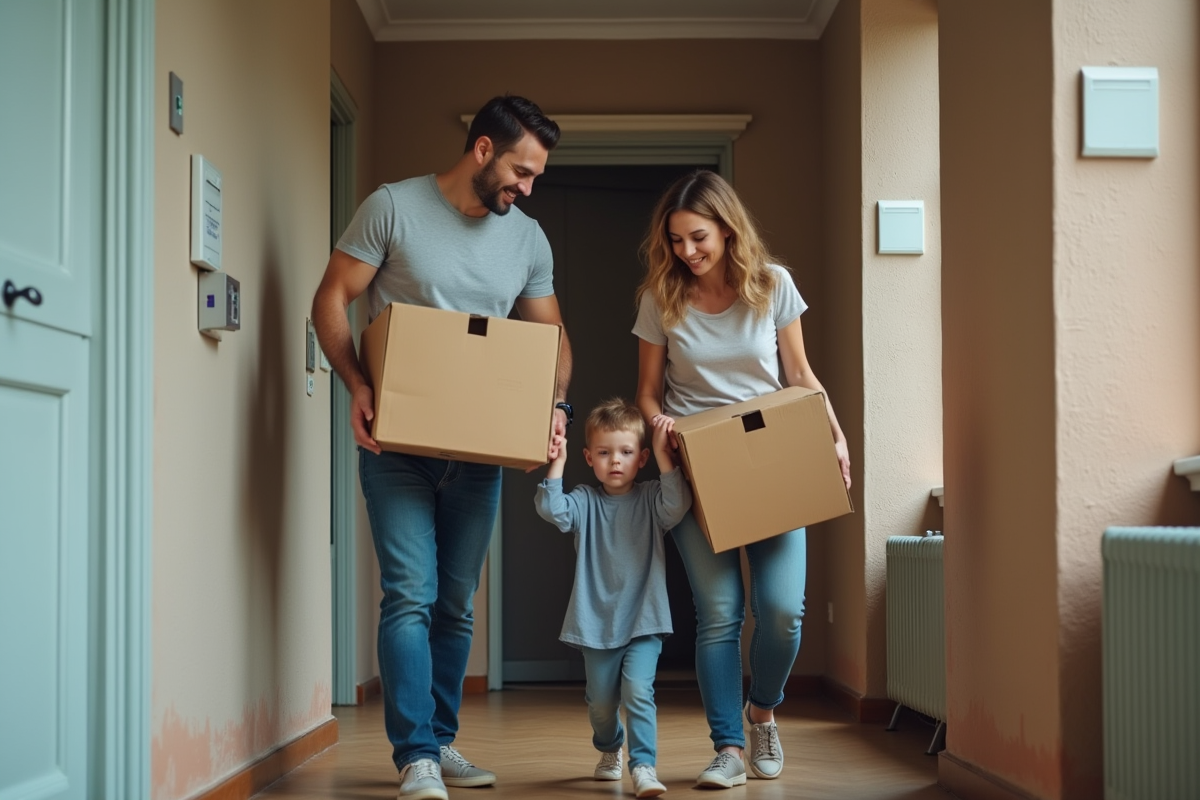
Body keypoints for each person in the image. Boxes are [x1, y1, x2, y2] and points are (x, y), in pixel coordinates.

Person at [311, 94, 573, 800]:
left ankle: (442, 740)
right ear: (483, 150)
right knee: (410, 595)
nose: (526, 188)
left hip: (480, 453)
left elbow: (554, 343)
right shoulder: (392, 208)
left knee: (456, 602)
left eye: (536, 177)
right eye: (521, 171)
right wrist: (356, 385)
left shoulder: (527, 239)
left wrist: (553, 406)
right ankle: (415, 756)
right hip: (395, 444)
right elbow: (331, 298)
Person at [632, 170, 852, 789]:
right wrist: (662, 425)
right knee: (720, 613)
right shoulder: (660, 297)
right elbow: (649, 393)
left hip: (773, 458)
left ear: (728, 230)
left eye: (697, 237)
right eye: (675, 240)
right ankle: (728, 746)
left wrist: (834, 436)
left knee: (783, 612)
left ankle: (763, 713)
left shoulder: (772, 285)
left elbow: (801, 376)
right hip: (699, 467)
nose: (686, 252)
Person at [533, 398, 691, 799]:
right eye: (604, 453)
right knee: (601, 704)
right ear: (589, 457)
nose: (614, 461)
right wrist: (559, 459)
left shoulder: (653, 498)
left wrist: (662, 453)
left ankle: (643, 767)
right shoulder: (584, 502)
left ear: (640, 458)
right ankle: (609, 747)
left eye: (625, 452)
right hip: (596, 623)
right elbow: (552, 508)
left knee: (639, 691)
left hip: (645, 620)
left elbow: (679, 503)